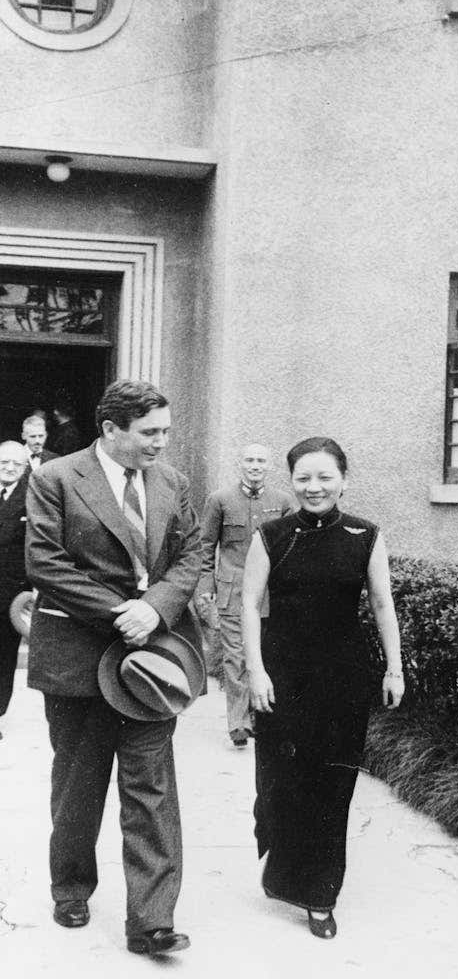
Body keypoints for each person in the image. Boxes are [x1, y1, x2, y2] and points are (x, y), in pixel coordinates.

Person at [25, 379, 202, 956]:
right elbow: (44, 561)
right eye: (149, 433)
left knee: (151, 786)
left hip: (153, 661)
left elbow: (192, 552)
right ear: (110, 430)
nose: (161, 444)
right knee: (79, 782)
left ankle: (151, 920)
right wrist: (118, 613)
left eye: (166, 432)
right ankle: (72, 887)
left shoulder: (171, 482)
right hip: (78, 658)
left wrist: (154, 609)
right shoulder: (56, 478)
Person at [241, 436, 404, 940]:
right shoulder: (270, 534)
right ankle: (281, 861)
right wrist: (256, 670)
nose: (314, 487)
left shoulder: (365, 535)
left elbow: (382, 605)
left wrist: (394, 668)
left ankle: (320, 895)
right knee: (280, 784)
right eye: (303, 478)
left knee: (332, 787)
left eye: (324, 477)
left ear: (343, 480)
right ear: (291, 482)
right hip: (282, 675)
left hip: (342, 679)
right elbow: (249, 603)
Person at [196, 443, 295, 747]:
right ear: (240, 464)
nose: (255, 466)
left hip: (270, 592)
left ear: (269, 466)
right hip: (233, 591)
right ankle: (239, 724)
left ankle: (263, 718)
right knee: (236, 656)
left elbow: (292, 548)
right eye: (249, 460)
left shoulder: (282, 502)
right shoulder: (220, 500)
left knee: (268, 654)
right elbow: (205, 546)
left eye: (261, 461)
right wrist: (206, 587)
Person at [0, 441, 31, 739]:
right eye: (4, 462)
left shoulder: (31, 498)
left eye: (16, 464)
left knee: (4, 656)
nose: (9, 468)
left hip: (8, 594)